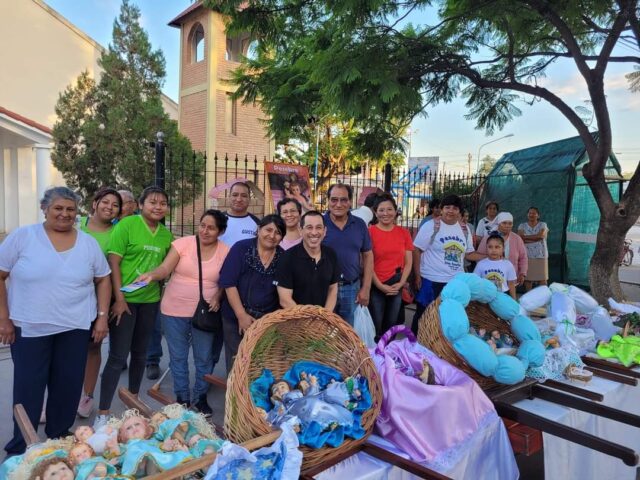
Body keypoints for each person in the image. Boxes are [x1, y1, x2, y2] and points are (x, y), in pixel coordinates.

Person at [0, 187, 111, 456]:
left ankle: (59, 437)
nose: (64, 214)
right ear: (45, 209)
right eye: (58, 208)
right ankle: (21, 446)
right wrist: (4, 318)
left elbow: (103, 278)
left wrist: (101, 318)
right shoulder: (23, 237)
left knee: (68, 386)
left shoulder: (88, 243)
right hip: (30, 328)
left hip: (75, 327)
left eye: (70, 209)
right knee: (28, 389)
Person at [135, 210, 230, 415]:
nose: (205, 231)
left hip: (205, 313)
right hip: (174, 309)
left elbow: (227, 280)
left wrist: (218, 296)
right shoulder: (183, 244)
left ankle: (200, 397)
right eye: (202, 225)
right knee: (178, 357)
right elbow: (165, 268)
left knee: (204, 358)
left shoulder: (225, 250)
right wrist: (152, 275)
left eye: (211, 227)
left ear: (220, 231)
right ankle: (182, 398)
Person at [96, 186, 173, 426]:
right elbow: (113, 262)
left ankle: (134, 402)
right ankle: (103, 413)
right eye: (152, 202)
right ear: (141, 205)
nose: (157, 206)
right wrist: (118, 298)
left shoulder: (165, 235)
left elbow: (164, 269)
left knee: (140, 354)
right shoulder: (126, 226)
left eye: (162, 203)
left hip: (149, 302)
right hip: (124, 302)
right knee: (118, 356)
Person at [77, 188, 123, 419]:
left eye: (115, 205)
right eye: (105, 202)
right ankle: (56, 397)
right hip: (73, 297)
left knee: (94, 346)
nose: (109, 207)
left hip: (103, 297)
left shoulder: (118, 231)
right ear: (94, 203)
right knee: (66, 349)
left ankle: (87, 395)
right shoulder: (77, 225)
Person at [218, 215, 285, 373]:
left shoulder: (283, 257)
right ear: (258, 230)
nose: (272, 235)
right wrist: (241, 315)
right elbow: (228, 282)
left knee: (259, 364)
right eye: (268, 229)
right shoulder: (241, 248)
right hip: (235, 317)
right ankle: (234, 397)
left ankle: (251, 398)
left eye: (278, 232)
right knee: (238, 363)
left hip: (266, 321)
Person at [411, 194, 484, 333]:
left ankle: (439, 348)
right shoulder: (431, 225)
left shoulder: (464, 229)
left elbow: (469, 254)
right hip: (431, 280)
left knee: (449, 317)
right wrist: (417, 275)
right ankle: (414, 346)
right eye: (447, 207)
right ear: (441, 209)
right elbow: (417, 250)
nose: (450, 211)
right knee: (424, 315)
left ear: (460, 211)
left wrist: (489, 257)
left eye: (455, 208)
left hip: (455, 282)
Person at [322, 184, 373, 326]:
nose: (338, 204)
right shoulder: (319, 224)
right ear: (328, 201)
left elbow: (368, 256)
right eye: (334, 199)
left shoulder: (359, 224)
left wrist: (366, 288)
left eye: (343, 200)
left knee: (348, 334)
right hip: (324, 289)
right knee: (323, 332)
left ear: (350, 202)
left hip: (352, 289)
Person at [368, 194, 413, 337]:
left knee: (391, 325)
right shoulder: (370, 232)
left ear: (395, 211)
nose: (385, 213)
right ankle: (374, 357)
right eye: (381, 210)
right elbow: (367, 262)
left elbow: (408, 262)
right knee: (375, 325)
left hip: (396, 284)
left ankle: (389, 355)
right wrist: (379, 285)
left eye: (389, 209)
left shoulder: (403, 233)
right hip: (376, 284)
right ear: (375, 212)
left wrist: (401, 283)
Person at [276, 211, 340, 310]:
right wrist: (308, 321)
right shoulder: (287, 258)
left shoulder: (331, 254)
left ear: (325, 231)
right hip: (296, 321)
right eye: (309, 227)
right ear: (300, 230)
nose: (314, 232)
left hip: (324, 320)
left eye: (318, 227)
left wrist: (325, 317)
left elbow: (333, 289)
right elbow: (285, 300)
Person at [477, 212, 528, 286]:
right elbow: (479, 257)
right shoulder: (488, 238)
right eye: (504, 223)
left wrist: (522, 273)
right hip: (490, 279)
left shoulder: (517, 238)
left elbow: (523, 258)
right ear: (499, 224)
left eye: (510, 223)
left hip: (511, 281)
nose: (507, 226)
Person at [473, 233, 517, 298]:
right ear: (486, 248)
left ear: (503, 248)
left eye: (497, 247)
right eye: (490, 247)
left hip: (503, 296)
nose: (493, 250)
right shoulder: (480, 264)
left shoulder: (508, 264)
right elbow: (475, 283)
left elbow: (511, 284)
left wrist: (514, 301)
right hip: (485, 297)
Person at [219, 182, 259, 247]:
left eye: (244, 196)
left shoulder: (257, 223)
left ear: (249, 199)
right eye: (235, 195)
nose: (239, 199)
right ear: (229, 197)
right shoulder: (217, 219)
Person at [518, 207, 549, 291]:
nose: (531, 215)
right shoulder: (522, 225)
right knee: (528, 279)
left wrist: (526, 238)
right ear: (527, 215)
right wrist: (536, 238)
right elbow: (520, 238)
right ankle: (529, 298)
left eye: (534, 213)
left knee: (542, 279)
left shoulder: (543, 224)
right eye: (530, 213)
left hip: (541, 255)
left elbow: (541, 236)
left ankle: (544, 299)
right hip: (527, 255)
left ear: (538, 215)